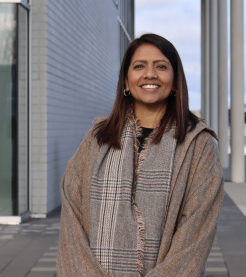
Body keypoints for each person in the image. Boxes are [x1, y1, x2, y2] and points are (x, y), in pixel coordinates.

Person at [56, 34, 224, 277]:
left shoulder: (198, 144)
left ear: (175, 82)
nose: (150, 74)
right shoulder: (97, 138)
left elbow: (196, 232)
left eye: (161, 66)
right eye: (139, 66)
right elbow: (72, 217)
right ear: (126, 81)